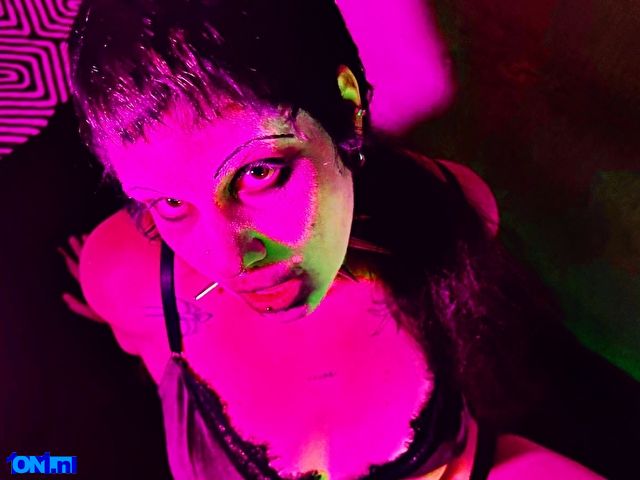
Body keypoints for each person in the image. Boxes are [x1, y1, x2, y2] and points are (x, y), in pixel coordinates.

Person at [63, 0, 602, 478]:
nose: (229, 260)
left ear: (346, 105)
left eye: (259, 173)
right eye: (170, 204)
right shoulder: (127, 280)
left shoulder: (450, 213)